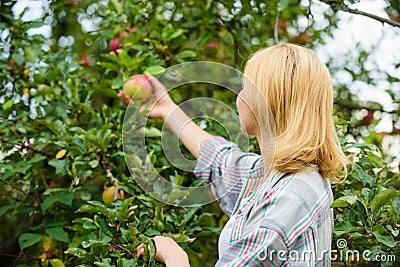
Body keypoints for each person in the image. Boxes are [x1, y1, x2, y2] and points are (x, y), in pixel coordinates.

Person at [119, 43, 347, 266]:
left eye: (245, 88)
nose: (238, 97)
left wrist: (175, 257)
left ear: (264, 99)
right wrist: (167, 107)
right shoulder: (270, 174)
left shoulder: (291, 196)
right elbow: (219, 159)